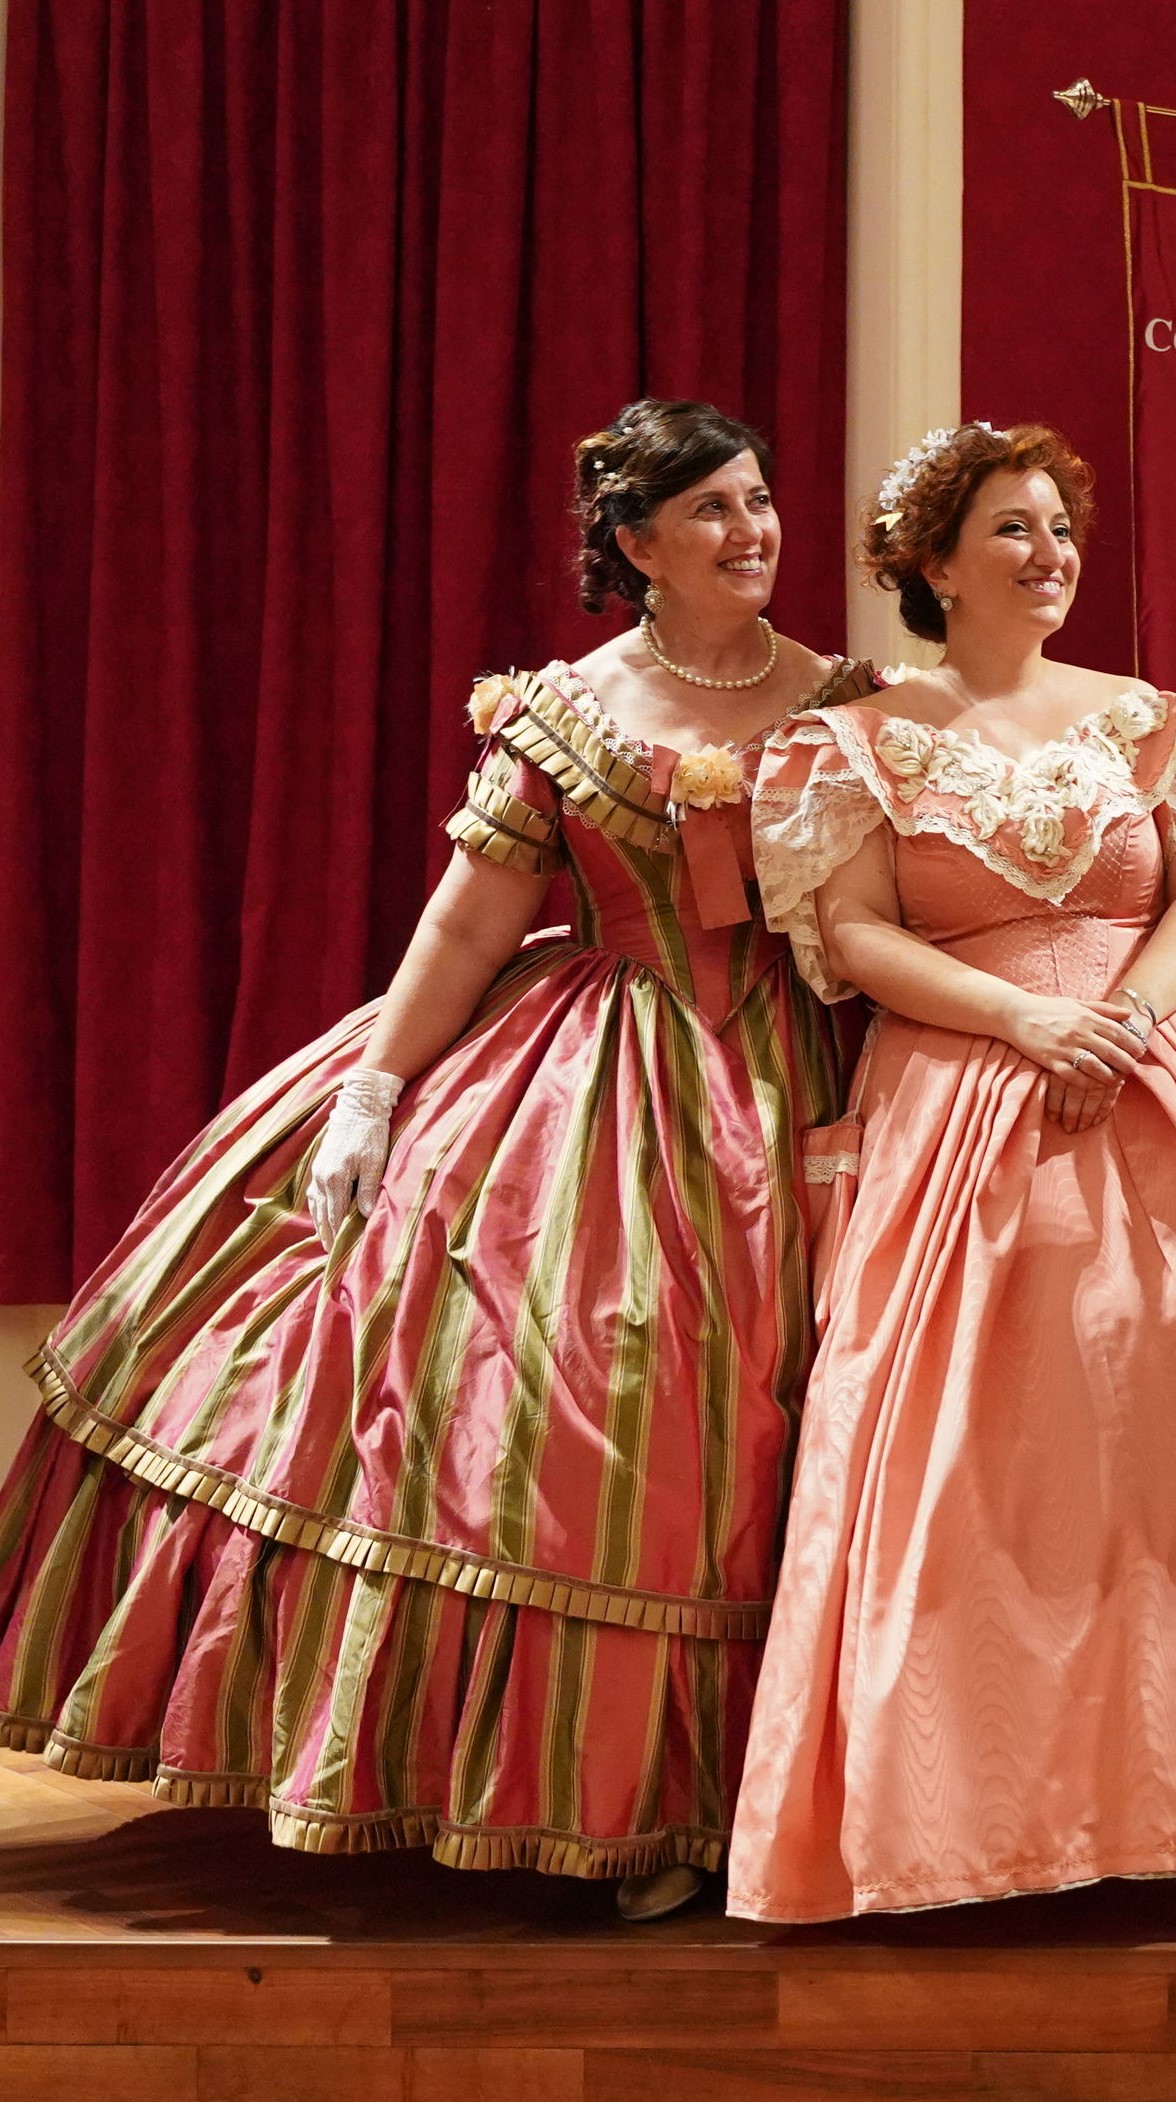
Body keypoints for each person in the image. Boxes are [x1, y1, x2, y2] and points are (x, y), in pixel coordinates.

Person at [0, 401, 861, 1921]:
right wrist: (374, 1091)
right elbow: (469, 922)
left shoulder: (854, 702)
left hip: (823, 1068)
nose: (753, 532)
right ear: (637, 543)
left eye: (759, 500)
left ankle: (790, 1789)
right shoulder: (568, 712)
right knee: (615, 1415)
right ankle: (626, 1798)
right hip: (615, 1077)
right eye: (712, 511)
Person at [727, 422, 1176, 1922]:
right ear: (931, 561)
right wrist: (1023, 1018)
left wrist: (1125, 1018)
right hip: (964, 1081)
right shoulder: (852, 744)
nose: (1049, 555)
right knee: (989, 1448)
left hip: (1164, 1068)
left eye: (1059, 528)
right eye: (1011, 528)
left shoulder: (1156, 721)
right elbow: (855, 932)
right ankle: (993, 1809)